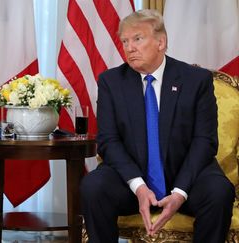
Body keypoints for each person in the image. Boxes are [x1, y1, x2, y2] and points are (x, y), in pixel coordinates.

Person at [80, 9, 235, 243]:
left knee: (219, 191)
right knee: (93, 187)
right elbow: (109, 141)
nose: (129, 48)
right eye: (124, 41)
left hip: (188, 179)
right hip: (132, 181)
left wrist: (180, 192)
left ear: (161, 42)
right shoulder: (111, 82)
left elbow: (205, 141)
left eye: (137, 39)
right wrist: (139, 187)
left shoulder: (195, 79)